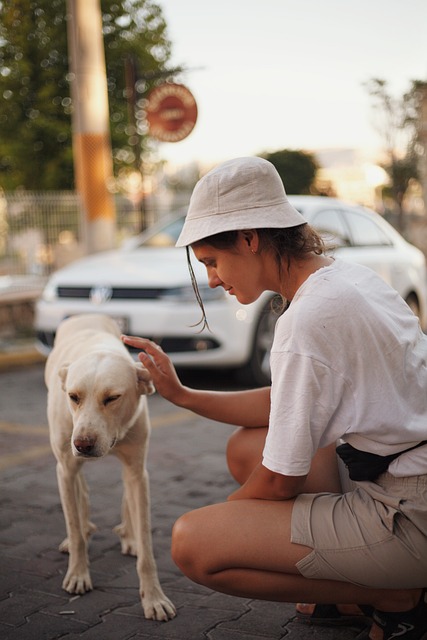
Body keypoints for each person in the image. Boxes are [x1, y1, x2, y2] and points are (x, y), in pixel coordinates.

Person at [122, 157, 427, 640]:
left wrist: (233, 517)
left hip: (410, 518)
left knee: (195, 544)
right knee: (246, 446)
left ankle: (393, 595)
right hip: (405, 479)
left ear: (249, 238)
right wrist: (181, 395)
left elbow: (281, 481)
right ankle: (354, 588)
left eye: (212, 262)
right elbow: (286, 402)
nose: (213, 281)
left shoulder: (305, 321)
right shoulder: (348, 278)